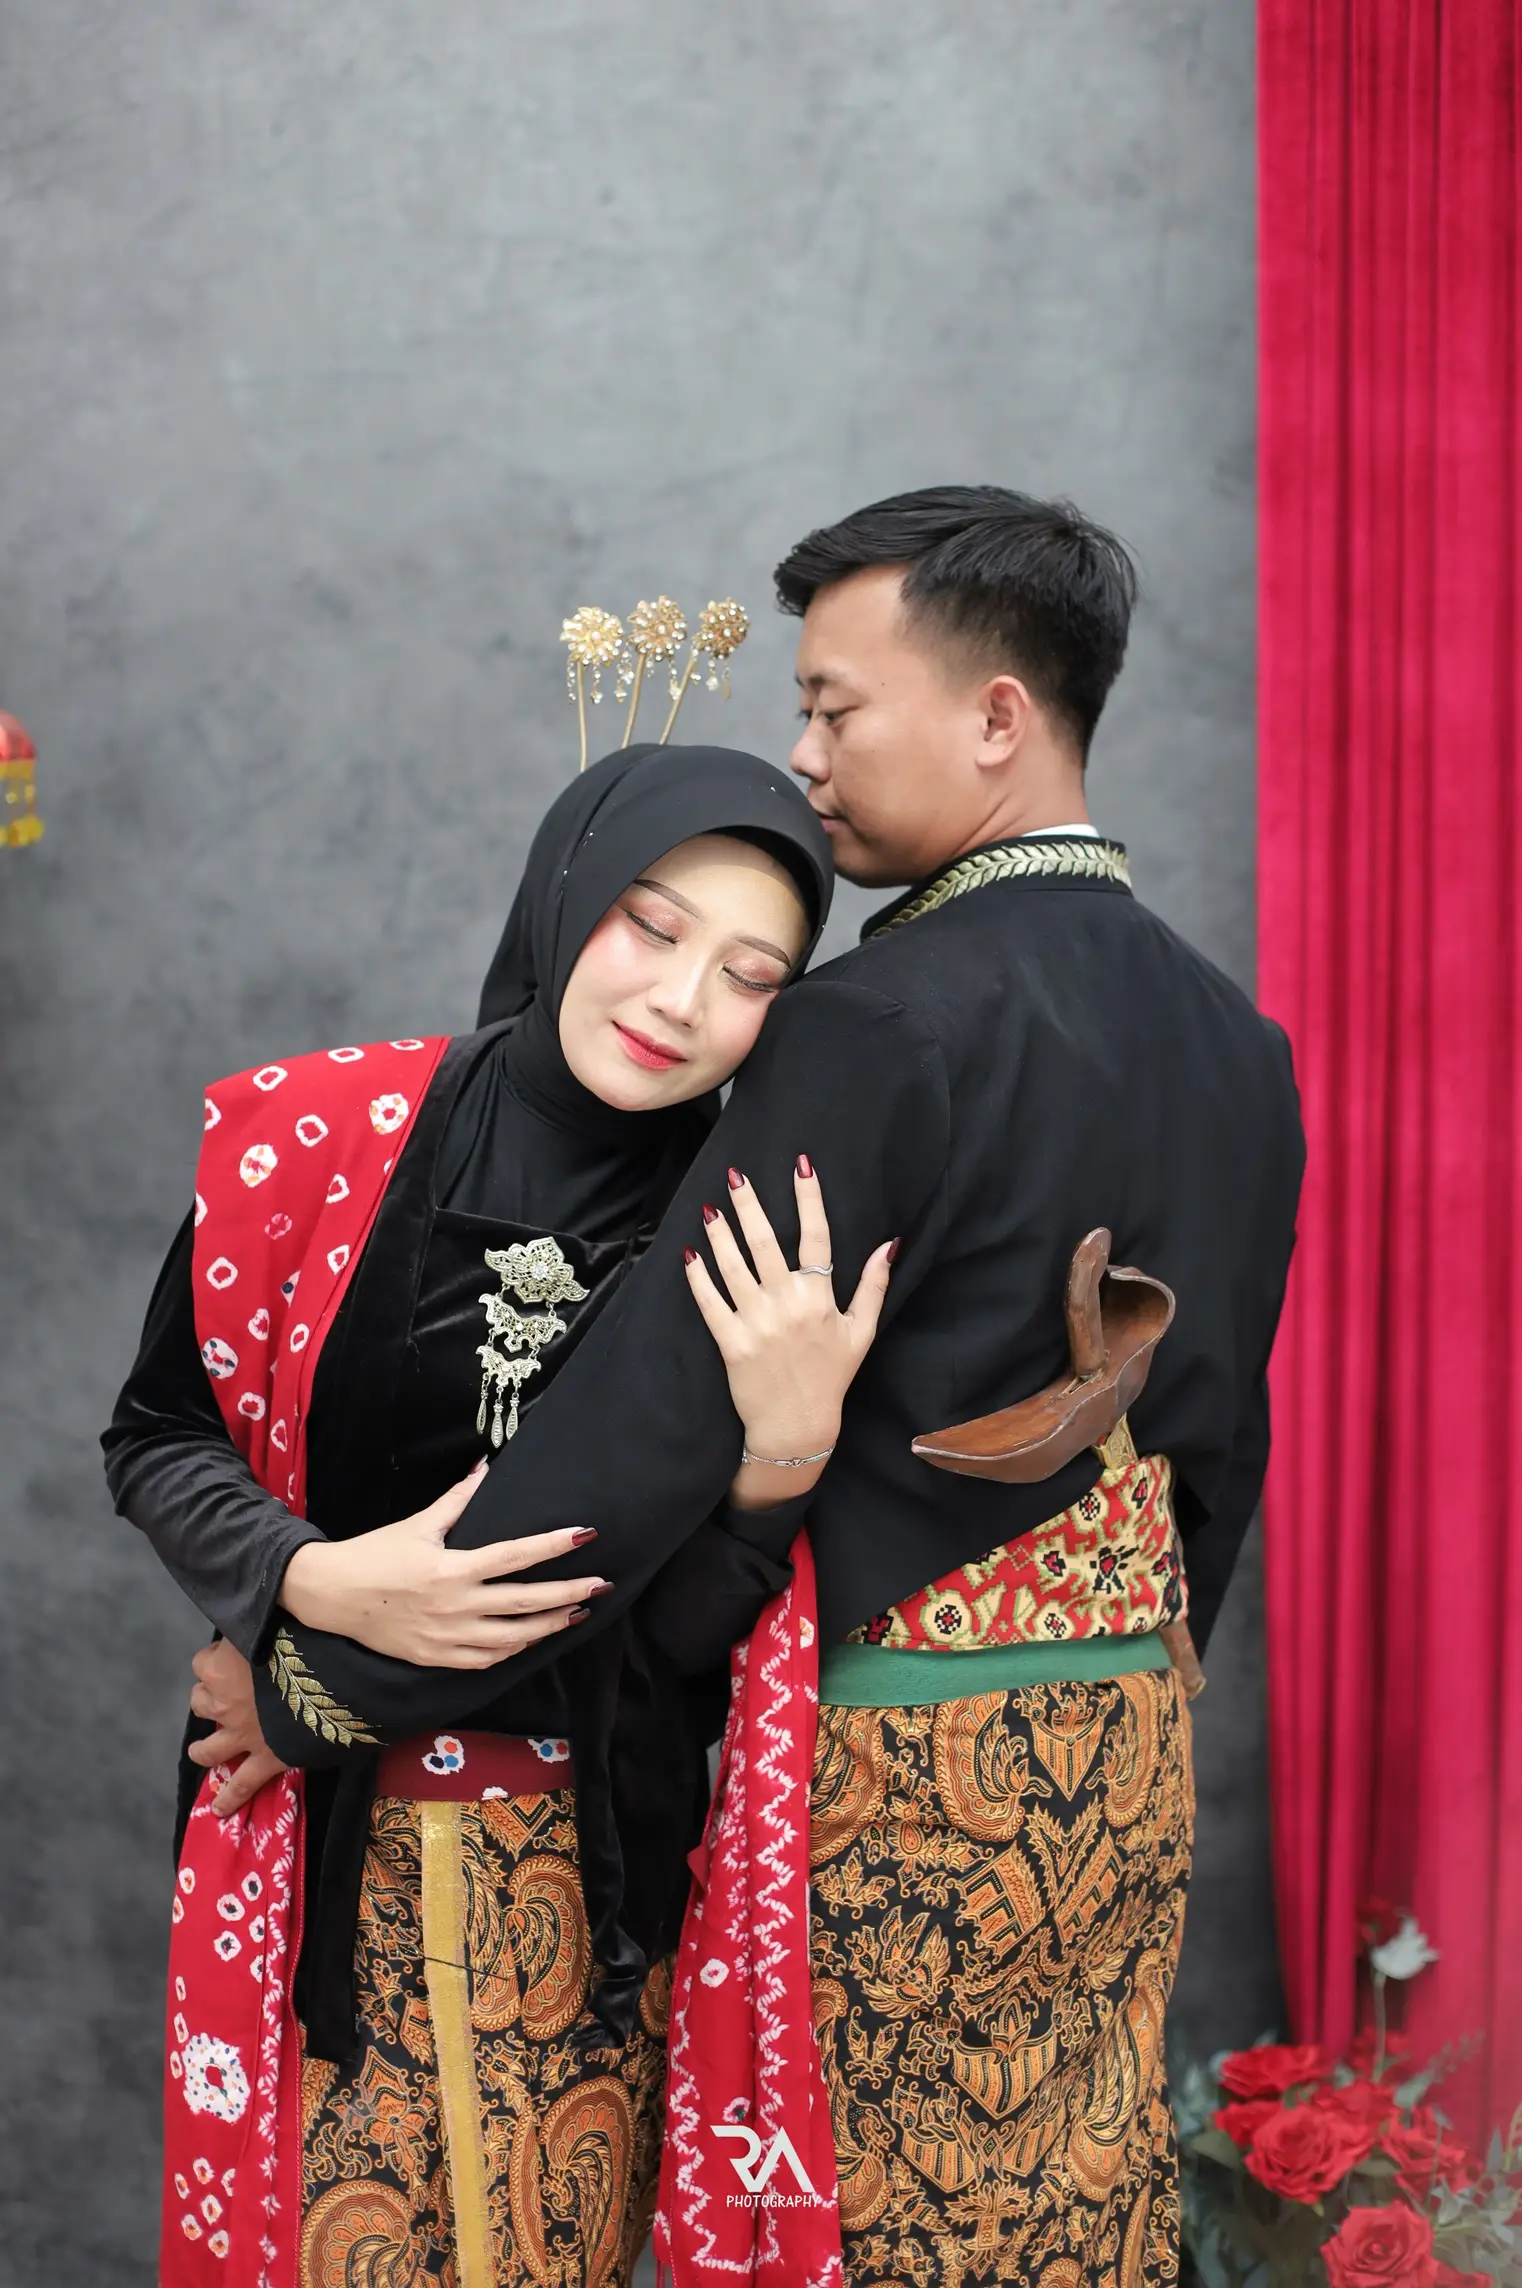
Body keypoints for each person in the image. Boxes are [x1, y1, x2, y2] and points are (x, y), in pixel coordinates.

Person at [249, 488, 1305, 2285]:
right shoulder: (1241, 1045)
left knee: (873, 2226)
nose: (805, 756)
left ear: (995, 716)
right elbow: (1214, 1451)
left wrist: (316, 1677)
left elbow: (645, 1419)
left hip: (900, 1781)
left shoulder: (877, 1021)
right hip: (1124, 1759)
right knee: (1063, 2219)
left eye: (834, 707)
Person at [104, 741, 897, 2288]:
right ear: (564, 894)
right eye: (650, 927)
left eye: (749, 976)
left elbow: (678, 1640)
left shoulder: (737, 1233)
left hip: (585, 1887)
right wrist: (311, 1582)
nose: (681, 1002)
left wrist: (785, 1457)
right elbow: (156, 1437)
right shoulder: (320, 1135)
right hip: (312, 1852)